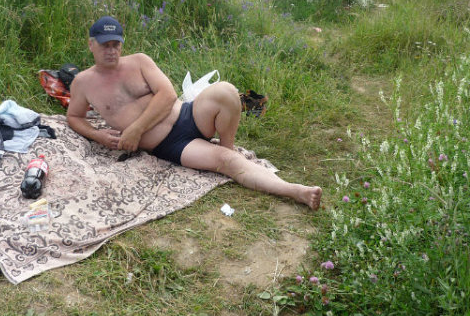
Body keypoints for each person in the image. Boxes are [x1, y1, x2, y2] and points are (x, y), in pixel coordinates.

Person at [66, 16, 322, 210]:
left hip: (188, 115)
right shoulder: (83, 83)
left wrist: (135, 129)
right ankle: (295, 191)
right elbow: (74, 117)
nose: (111, 50)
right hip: (170, 144)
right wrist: (98, 135)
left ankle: (227, 146)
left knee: (226, 90)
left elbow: (168, 95)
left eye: (116, 44)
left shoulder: (139, 61)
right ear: (91, 45)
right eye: (105, 45)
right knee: (227, 161)